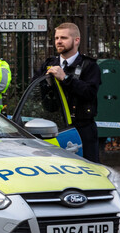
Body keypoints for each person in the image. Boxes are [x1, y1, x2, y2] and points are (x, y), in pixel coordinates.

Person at [38, 22, 102, 163]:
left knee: (88, 169)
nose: (59, 41)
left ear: (76, 40)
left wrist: (65, 78)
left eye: (64, 38)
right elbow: (35, 91)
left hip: (82, 129)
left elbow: (89, 93)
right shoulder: (48, 64)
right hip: (54, 128)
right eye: (56, 38)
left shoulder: (89, 66)